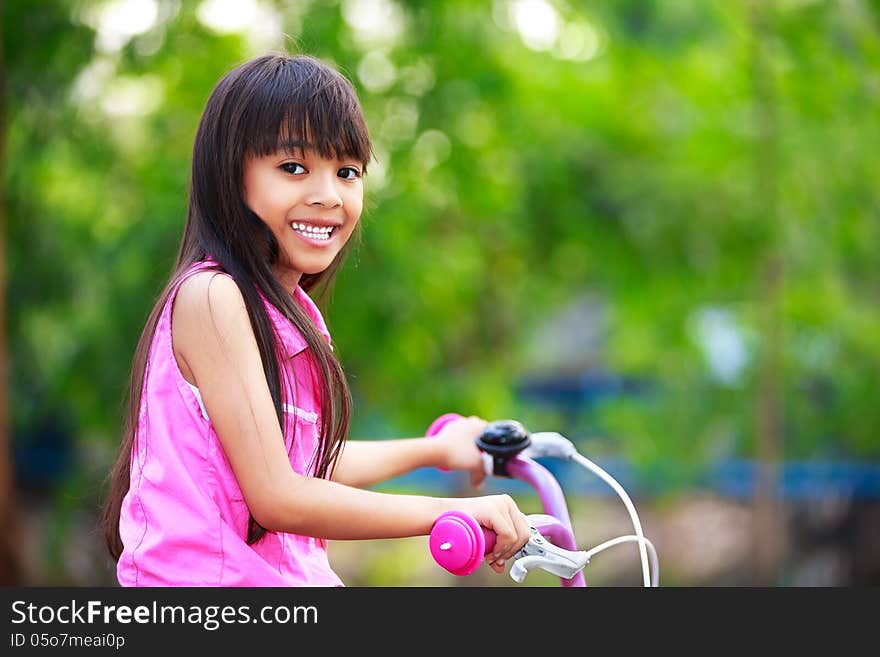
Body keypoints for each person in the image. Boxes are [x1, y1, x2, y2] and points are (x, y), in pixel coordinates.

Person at [99, 52, 530, 586]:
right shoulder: (211, 299)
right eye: (294, 168)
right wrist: (447, 514)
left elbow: (308, 461)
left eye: (346, 172)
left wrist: (438, 450)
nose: (327, 195)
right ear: (230, 176)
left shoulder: (291, 315)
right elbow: (280, 495)